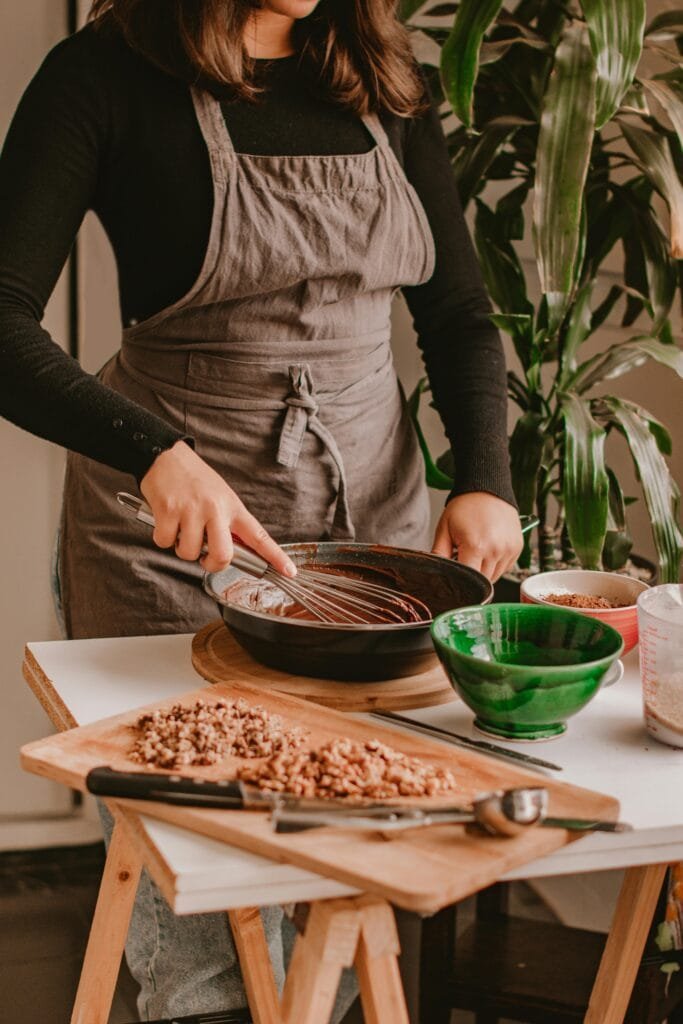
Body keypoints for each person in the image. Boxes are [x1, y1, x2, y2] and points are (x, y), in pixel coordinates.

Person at [0, 0, 523, 1017]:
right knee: (202, 941)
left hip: (368, 540)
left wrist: (485, 479)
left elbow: (457, 313)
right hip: (165, 544)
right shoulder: (102, 74)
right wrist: (155, 455)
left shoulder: (382, 75)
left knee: (331, 892)